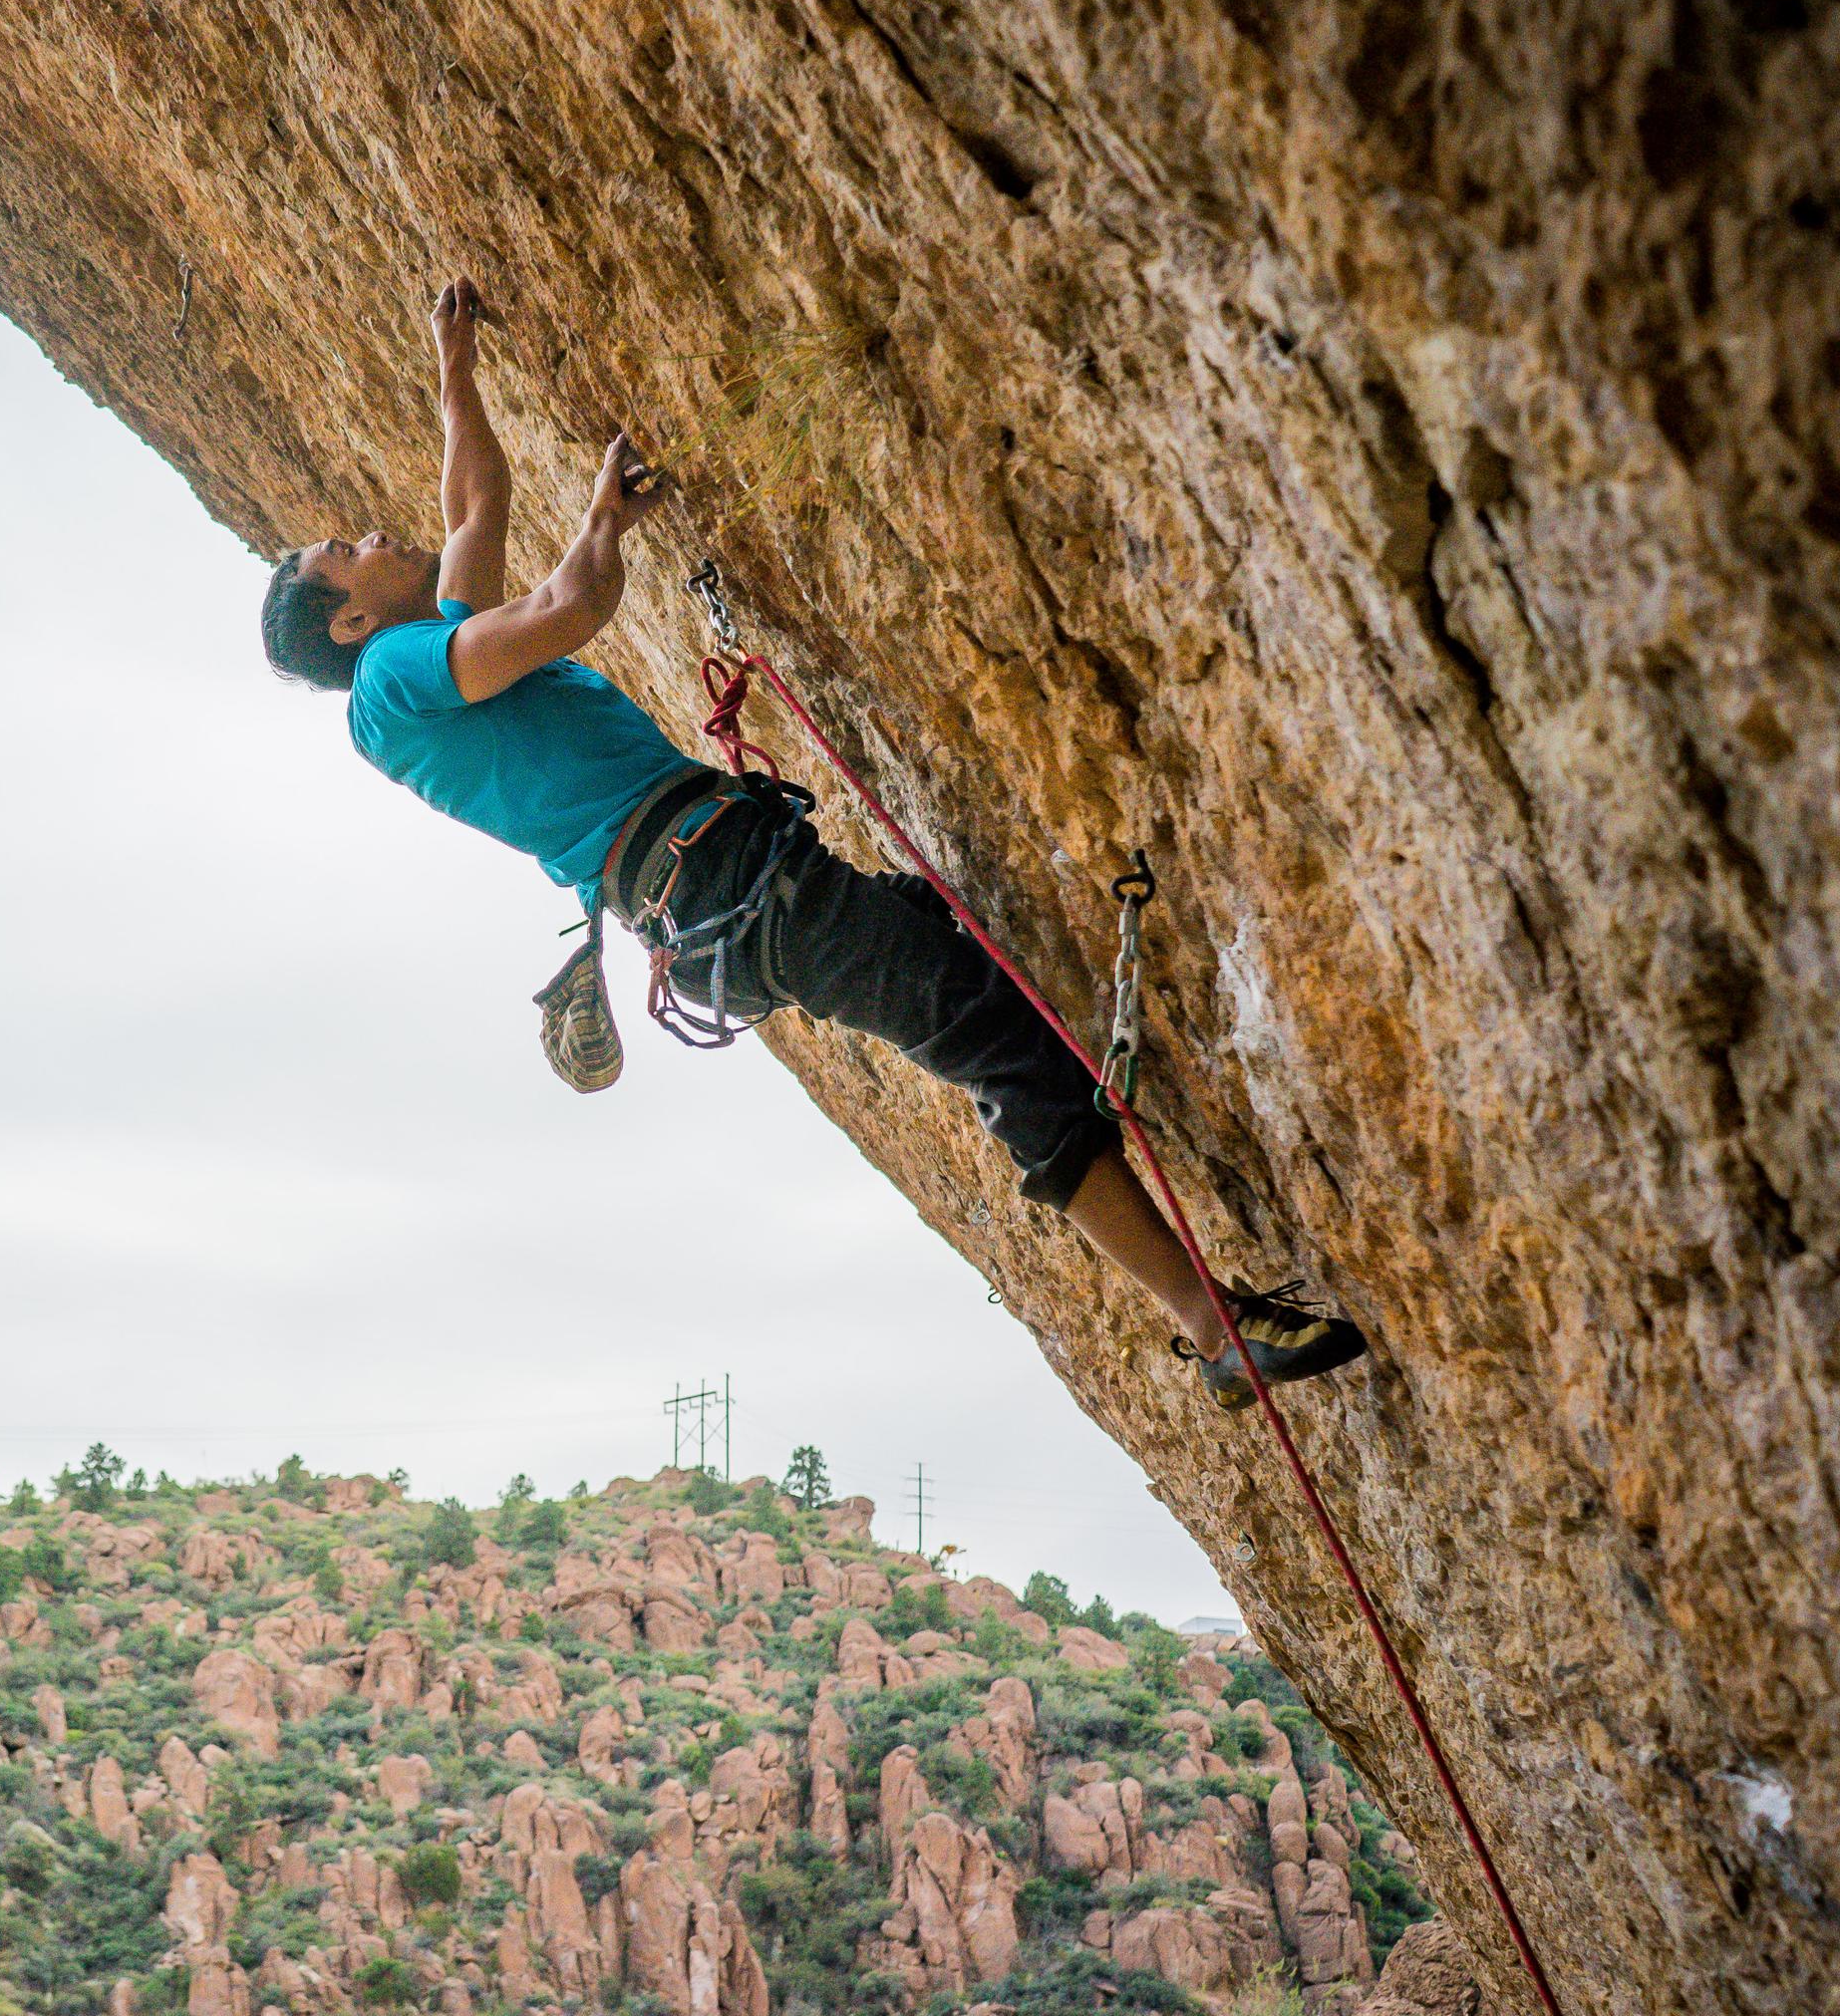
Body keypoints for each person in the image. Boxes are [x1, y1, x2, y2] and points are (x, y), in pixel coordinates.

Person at [256, 280, 1367, 1413]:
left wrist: (455, 369)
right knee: (990, 1036)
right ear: (350, 621)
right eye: (345, 551)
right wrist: (602, 522)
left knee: (948, 955)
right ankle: (1211, 1328)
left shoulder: (421, 661)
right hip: (726, 880)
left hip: (719, 893)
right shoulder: (389, 679)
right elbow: (567, 608)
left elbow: (471, 510)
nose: (370, 533)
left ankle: (1200, 1307)